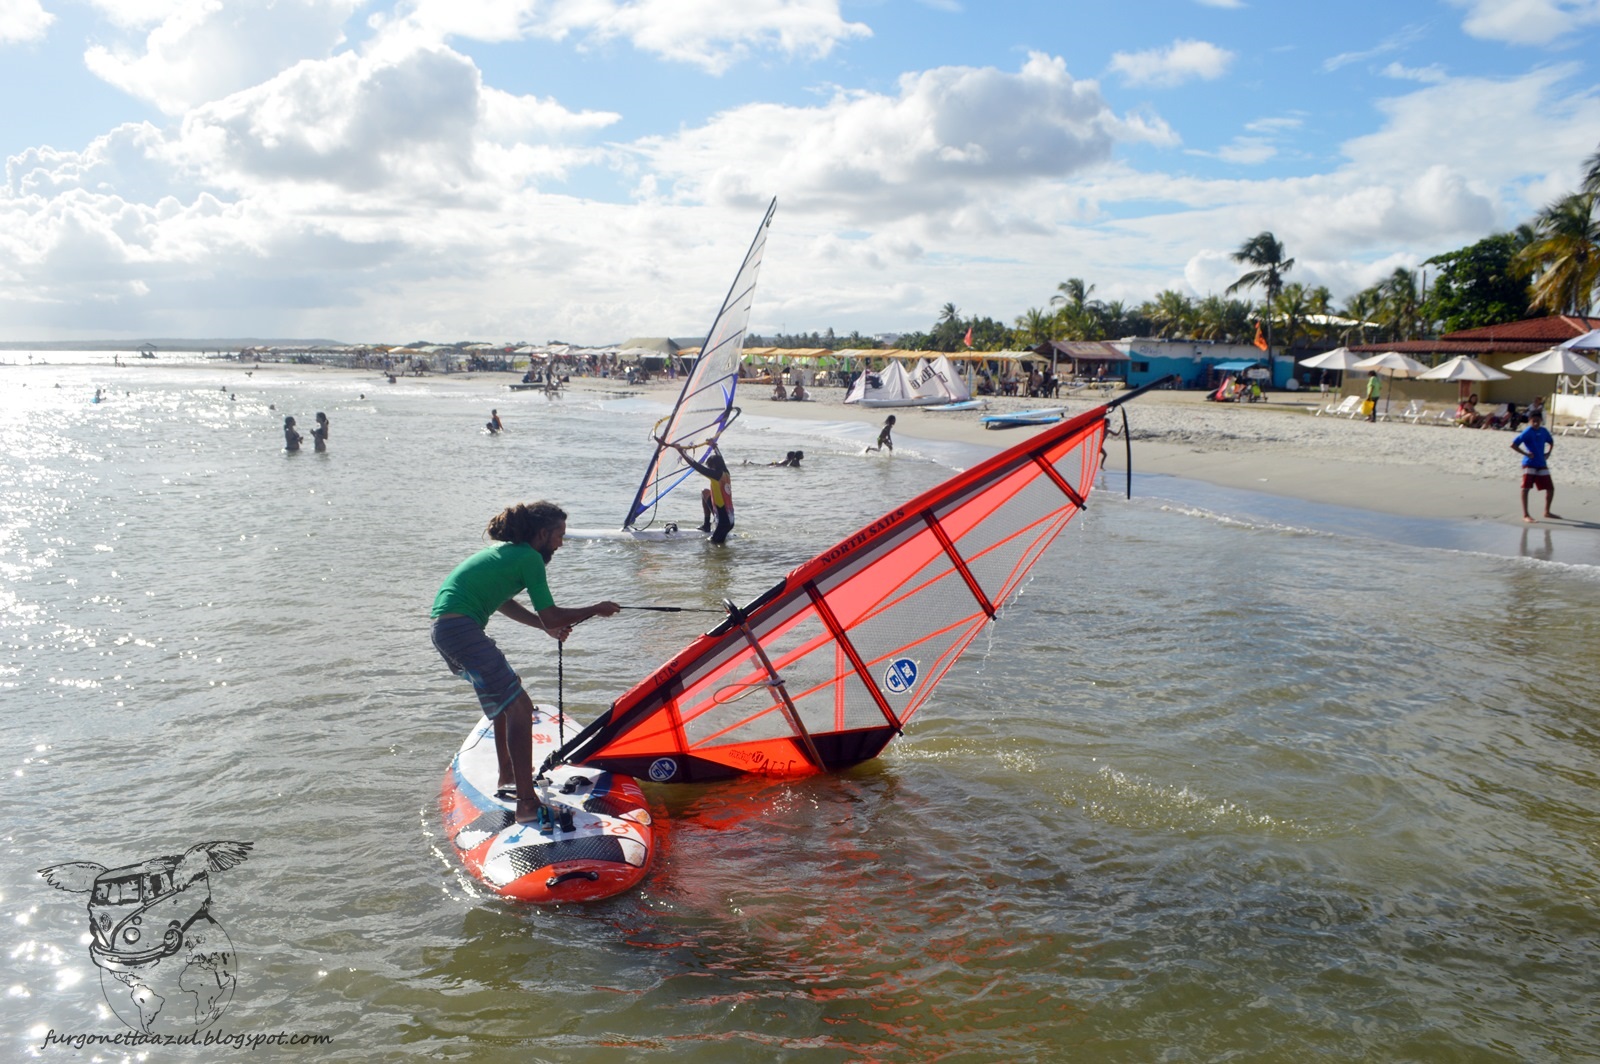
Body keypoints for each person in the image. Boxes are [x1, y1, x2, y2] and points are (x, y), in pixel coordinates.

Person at [430, 502, 620, 825]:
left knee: (508, 698)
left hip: (446, 629)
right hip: (460, 628)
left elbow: (503, 601)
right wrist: (595, 608)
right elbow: (552, 613)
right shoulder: (530, 558)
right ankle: (526, 804)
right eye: (558, 535)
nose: (560, 543)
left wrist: (544, 627)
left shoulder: (511, 554)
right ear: (542, 533)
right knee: (520, 706)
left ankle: (507, 775)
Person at [667, 441, 735, 544]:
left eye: (709, 466)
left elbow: (696, 466)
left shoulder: (715, 475)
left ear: (713, 466)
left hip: (724, 523)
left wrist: (681, 451)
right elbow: (721, 460)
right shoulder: (725, 472)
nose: (708, 468)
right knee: (705, 492)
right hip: (726, 517)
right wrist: (714, 447)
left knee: (713, 545)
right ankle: (706, 525)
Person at [1511, 411, 1559, 523]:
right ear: (1530, 421)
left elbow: (1551, 441)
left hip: (1541, 463)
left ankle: (1547, 511)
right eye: (1534, 421)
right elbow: (1513, 444)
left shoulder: (1543, 431)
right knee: (1526, 488)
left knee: (1550, 488)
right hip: (1529, 463)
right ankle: (1526, 515)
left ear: (1541, 421)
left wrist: (1548, 453)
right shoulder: (1528, 431)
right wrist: (1526, 454)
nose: (1536, 423)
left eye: (1538, 421)